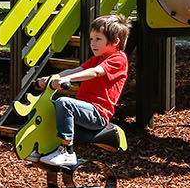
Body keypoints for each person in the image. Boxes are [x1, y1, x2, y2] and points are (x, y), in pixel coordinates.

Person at [34, 14, 130, 168]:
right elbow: (76, 69)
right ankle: (43, 147)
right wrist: (53, 77)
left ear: (115, 41)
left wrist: (69, 80)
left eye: (98, 39)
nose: (93, 43)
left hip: (98, 114)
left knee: (64, 103)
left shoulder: (118, 59)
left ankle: (67, 151)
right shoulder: (97, 58)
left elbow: (95, 72)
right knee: (47, 107)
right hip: (84, 110)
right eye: (91, 39)